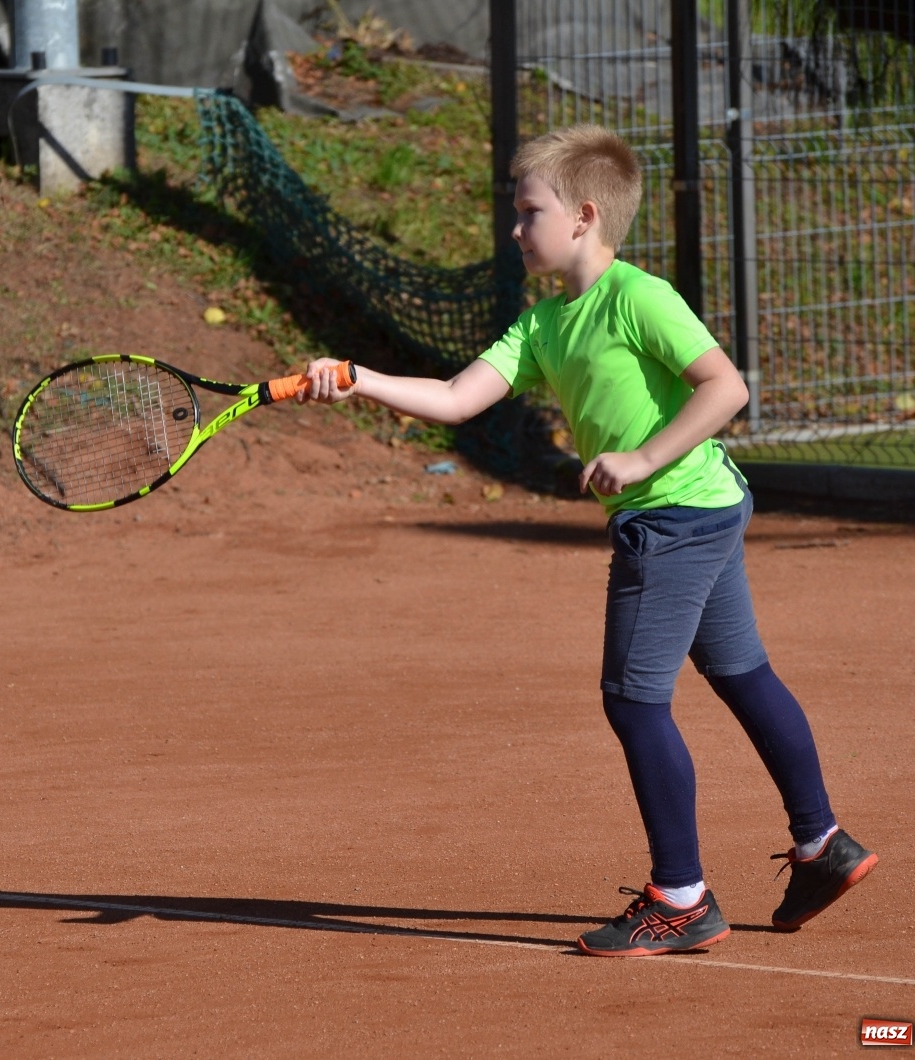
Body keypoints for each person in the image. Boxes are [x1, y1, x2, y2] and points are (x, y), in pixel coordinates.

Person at [301, 124, 876, 957]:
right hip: (706, 507)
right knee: (740, 672)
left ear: (583, 216)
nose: (514, 228)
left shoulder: (639, 297)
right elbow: (458, 398)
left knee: (634, 700)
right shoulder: (544, 326)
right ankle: (823, 847)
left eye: (528, 211)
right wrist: (358, 379)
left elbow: (725, 388)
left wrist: (640, 460)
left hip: (673, 518)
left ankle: (682, 898)